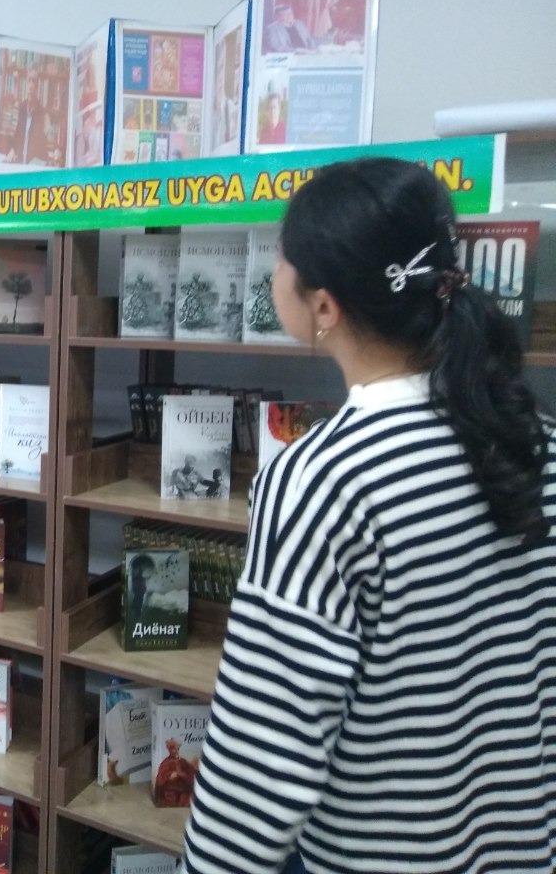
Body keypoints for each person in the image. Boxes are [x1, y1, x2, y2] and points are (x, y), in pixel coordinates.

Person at [182, 158, 556, 873]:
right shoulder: (535, 440)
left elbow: (261, 761)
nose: (272, 275)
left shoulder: (322, 479)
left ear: (324, 307)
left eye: (280, 259)